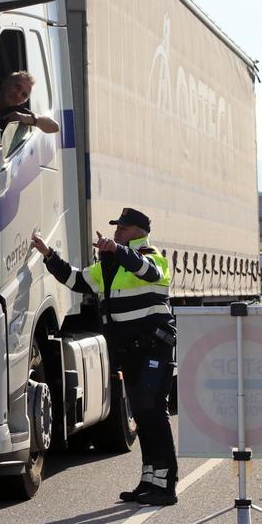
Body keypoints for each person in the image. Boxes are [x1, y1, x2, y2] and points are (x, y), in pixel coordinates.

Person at [29, 207, 179, 506]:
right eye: (116, 228)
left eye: (122, 228)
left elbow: (148, 271)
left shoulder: (152, 256)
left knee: (153, 415)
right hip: (129, 353)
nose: (117, 231)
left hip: (153, 350)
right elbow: (76, 280)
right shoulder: (108, 266)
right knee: (142, 417)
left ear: (138, 232)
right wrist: (48, 255)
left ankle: (166, 486)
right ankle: (150, 481)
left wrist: (118, 250)